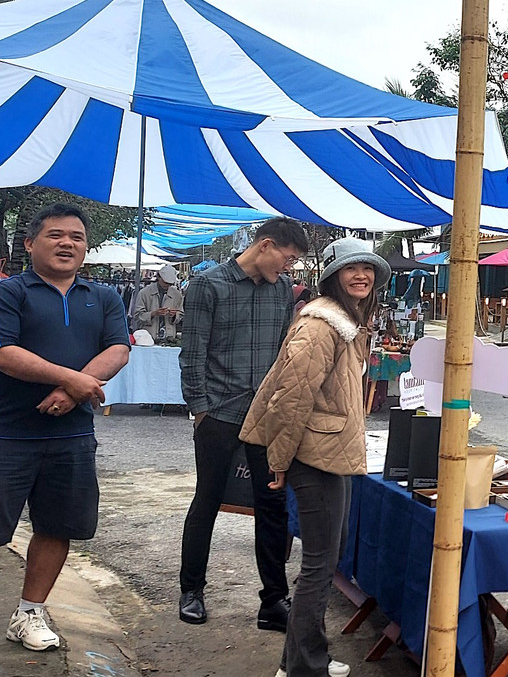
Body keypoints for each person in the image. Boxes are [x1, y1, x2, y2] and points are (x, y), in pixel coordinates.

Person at [0, 204, 131, 650]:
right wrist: (70, 378)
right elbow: (1, 353)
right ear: (30, 244)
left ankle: (29, 614)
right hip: (6, 436)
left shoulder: (104, 297)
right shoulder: (7, 293)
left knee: (57, 527)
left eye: (76, 237)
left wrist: (75, 390)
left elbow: (118, 348)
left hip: (72, 437)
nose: (67, 243)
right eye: (56, 235)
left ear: (86, 247)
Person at [240, 239, 388, 677]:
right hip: (314, 455)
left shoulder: (346, 321)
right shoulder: (321, 325)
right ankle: (305, 667)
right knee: (321, 561)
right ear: (332, 276)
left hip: (332, 451)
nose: (361, 275)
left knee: (328, 553)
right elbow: (290, 398)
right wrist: (280, 461)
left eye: (367, 268)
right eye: (350, 269)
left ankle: (299, 660)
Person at [178, 217, 310, 629]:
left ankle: (273, 602)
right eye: (287, 259)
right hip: (219, 414)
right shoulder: (208, 285)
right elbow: (192, 352)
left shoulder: (281, 292)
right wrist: (200, 408)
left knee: (271, 506)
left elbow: (283, 353)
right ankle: (191, 590)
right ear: (266, 245)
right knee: (208, 499)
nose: (288, 268)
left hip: (266, 417)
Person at [131, 264, 185, 340]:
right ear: (158, 277)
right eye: (165, 282)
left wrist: (174, 315)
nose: (167, 285)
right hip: (147, 337)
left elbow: (180, 314)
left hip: (169, 337)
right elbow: (137, 316)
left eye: (170, 284)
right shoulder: (144, 293)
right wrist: (153, 314)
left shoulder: (177, 294)